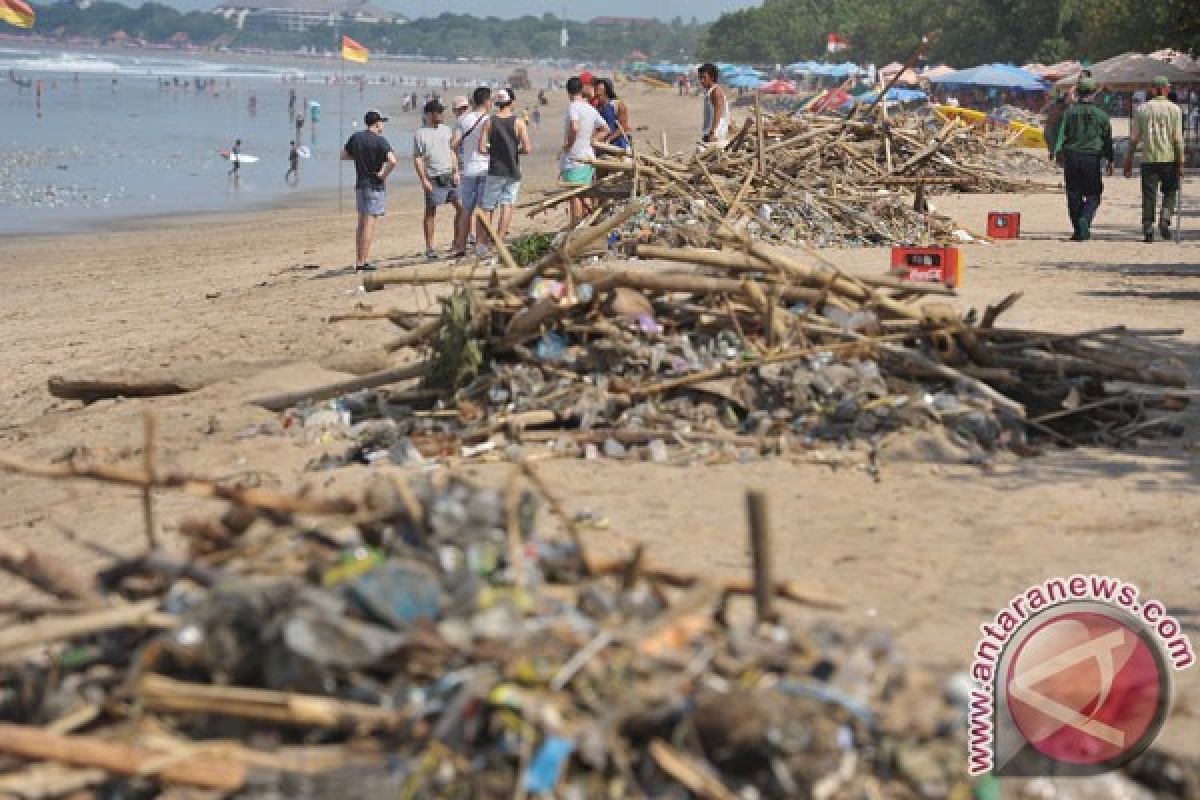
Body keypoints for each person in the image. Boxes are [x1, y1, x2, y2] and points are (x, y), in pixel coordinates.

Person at [1123, 75, 1184, 243]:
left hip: (1148, 159)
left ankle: (1148, 228)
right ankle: (1165, 217)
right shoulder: (1175, 110)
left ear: (1152, 90)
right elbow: (1178, 139)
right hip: (1169, 158)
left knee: (1149, 195)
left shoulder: (1142, 110)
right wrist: (1181, 162)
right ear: (1165, 89)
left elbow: (1134, 139)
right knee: (1170, 191)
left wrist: (1128, 160)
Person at [1052, 76, 1113, 242]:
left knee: (1073, 194)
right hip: (1091, 158)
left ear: (1078, 92)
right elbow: (1107, 140)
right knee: (1094, 194)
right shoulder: (1102, 115)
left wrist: (1057, 153)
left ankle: (1078, 230)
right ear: (1094, 94)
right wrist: (1110, 159)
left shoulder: (1069, 113)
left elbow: (1061, 134)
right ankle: (1085, 219)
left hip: (1071, 157)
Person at [341, 110, 397, 272]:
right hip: (374, 184)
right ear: (377, 123)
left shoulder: (356, 137)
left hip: (360, 184)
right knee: (369, 224)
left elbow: (344, 155)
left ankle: (359, 260)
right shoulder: (380, 141)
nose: (383, 125)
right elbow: (393, 161)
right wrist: (383, 175)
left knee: (361, 224)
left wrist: (359, 157)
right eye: (382, 122)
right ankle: (362, 262)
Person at [479, 88, 532, 252]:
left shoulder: (489, 121)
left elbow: (481, 148)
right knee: (507, 205)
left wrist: (493, 151)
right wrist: (516, 151)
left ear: (497, 103)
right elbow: (528, 148)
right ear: (511, 102)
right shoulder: (519, 122)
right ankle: (499, 241)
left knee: (488, 207)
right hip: (513, 170)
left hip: (495, 169)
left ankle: (482, 243)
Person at [413, 98, 463, 260]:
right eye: (438, 111)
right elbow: (418, 159)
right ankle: (429, 248)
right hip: (433, 178)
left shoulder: (446, 130)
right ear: (429, 114)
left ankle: (457, 242)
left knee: (462, 209)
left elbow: (452, 152)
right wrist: (424, 180)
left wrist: (456, 171)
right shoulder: (420, 133)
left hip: (450, 175)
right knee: (430, 213)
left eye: (442, 111)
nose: (441, 114)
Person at [560, 76, 610, 224]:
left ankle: (576, 226)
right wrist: (590, 140)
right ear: (581, 90)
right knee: (585, 193)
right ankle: (585, 225)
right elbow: (605, 129)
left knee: (574, 195)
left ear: (568, 92)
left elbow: (574, 126)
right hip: (588, 157)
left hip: (574, 157)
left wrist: (569, 145)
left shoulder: (573, 106)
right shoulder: (590, 108)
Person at [451, 86, 492, 256]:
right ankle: (480, 245)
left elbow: (453, 144)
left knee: (466, 209)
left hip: (467, 170)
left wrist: (457, 164)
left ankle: (460, 245)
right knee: (483, 208)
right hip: (484, 168)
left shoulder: (463, 120)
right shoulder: (490, 120)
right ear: (487, 102)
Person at [594, 78, 630, 151]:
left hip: (619, 146)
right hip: (602, 147)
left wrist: (609, 139)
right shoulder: (597, 108)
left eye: (600, 95)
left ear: (607, 92)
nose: (597, 97)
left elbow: (623, 126)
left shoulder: (618, 104)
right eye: (596, 95)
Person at [697, 63, 729, 147]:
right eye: (700, 78)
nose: (701, 81)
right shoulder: (710, 91)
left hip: (715, 133)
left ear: (712, 78)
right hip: (711, 131)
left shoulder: (716, 91)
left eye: (704, 77)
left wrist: (712, 132)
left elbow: (718, 112)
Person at [1041, 89, 1070, 159]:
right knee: (1049, 137)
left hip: (1058, 125)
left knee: (1057, 141)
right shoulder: (1053, 103)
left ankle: (1056, 155)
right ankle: (1053, 153)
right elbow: (1043, 111)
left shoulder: (1066, 106)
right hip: (1051, 124)